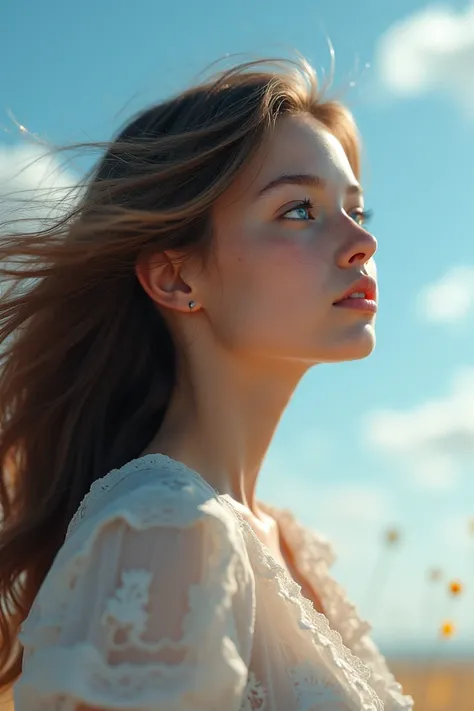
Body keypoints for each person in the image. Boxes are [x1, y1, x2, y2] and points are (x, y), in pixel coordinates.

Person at [0, 57, 412, 710]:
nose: (362, 241)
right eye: (300, 209)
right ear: (175, 278)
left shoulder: (279, 538)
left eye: (356, 208)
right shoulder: (166, 529)